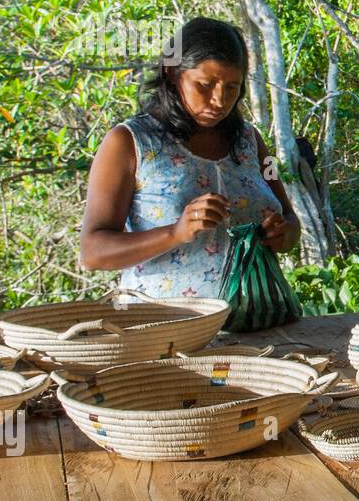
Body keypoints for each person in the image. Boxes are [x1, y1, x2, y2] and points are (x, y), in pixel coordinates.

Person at [81, 16, 301, 296]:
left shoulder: (251, 142)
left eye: (231, 87)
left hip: (256, 326)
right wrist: (175, 233)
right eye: (205, 85)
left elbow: (290, 216)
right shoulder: (128, 143)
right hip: (166, 330)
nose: (219, 101)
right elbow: (92, 252)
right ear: (173, 73)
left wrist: (285, 234)